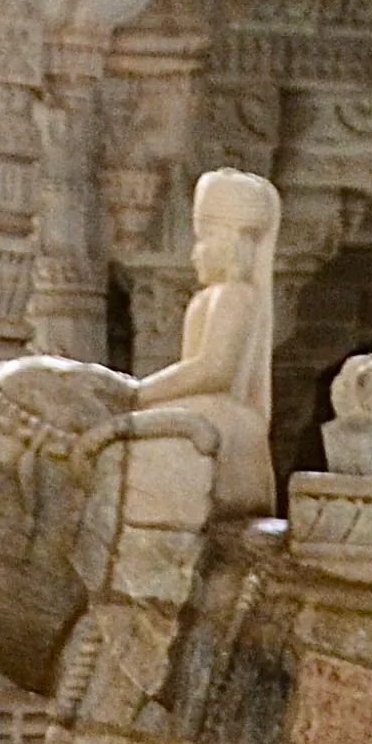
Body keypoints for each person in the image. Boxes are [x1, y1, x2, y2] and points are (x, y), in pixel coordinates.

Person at [121, 169, 280, 518]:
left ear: (230, 240)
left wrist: (136, 393)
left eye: (204, 237)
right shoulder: (216, 296)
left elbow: (215, 370)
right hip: (212, 412)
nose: (195, 253)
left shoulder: (234, 295)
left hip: (221, 419)